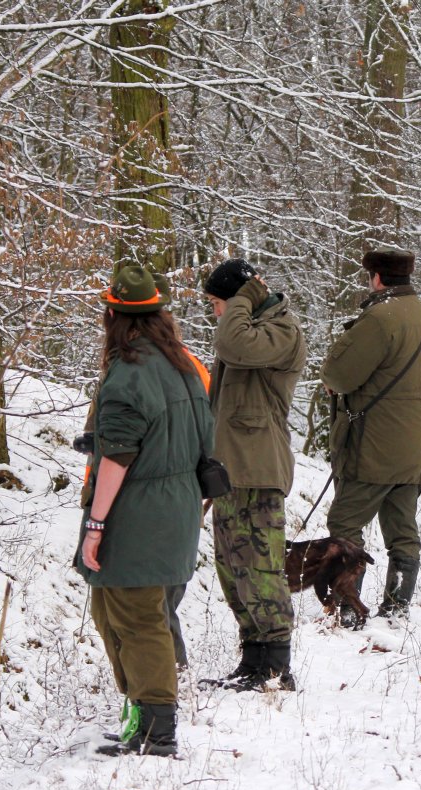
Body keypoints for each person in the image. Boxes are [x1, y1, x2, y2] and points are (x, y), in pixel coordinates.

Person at [76, 263, 215, 757]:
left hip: (136, 510)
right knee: (114, 607)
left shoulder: (127, 373)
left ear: (113, 316)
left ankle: (157, 732)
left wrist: (96, 523)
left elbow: (117, 457)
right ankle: (140, 715)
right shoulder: (185, 365)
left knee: (137, 617)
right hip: (178, 505)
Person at [321, 249, 421, 623]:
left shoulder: (378, 318)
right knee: (402, 529)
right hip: (417, 447)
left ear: (376, 278)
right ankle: (396, 608)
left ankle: (348, 609)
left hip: (375, 444)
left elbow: (338, 374)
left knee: (345, 525)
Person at [202, 258, 307, 690]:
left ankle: (276, 667)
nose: (215, 314)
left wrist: (242, 299)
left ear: (240, 299)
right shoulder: (250, 327)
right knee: (233, 569)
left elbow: (234, 345)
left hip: (259, 467)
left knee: (260, 566)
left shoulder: (281, 330)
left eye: (217, 303)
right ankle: (253, 660)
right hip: (232, 468)